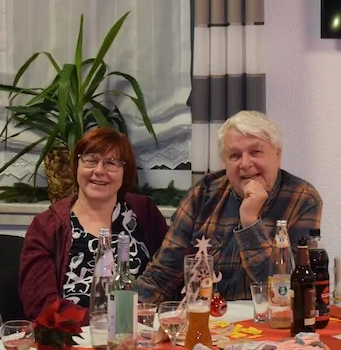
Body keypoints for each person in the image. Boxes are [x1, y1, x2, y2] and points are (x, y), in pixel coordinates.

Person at [137, 110, 322, 303]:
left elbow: (290, 289)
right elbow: (161, 275)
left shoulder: (303, 199)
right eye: (235, 155)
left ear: (277, 155)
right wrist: (131, 311)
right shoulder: (202, 194)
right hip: (204, 316)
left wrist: (250, 223)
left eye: (255, 152)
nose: (245, 163)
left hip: (265, 319)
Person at [19, 127, 168, 322]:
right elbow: (40, 304)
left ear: (125, 172)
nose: (99, 171)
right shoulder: (46, 226)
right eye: (90, 160)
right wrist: (109, 321)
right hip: (74, 334)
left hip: (142, 331)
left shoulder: (144, 212)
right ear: (77, 166)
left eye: (111, 163)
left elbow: (170, 275)